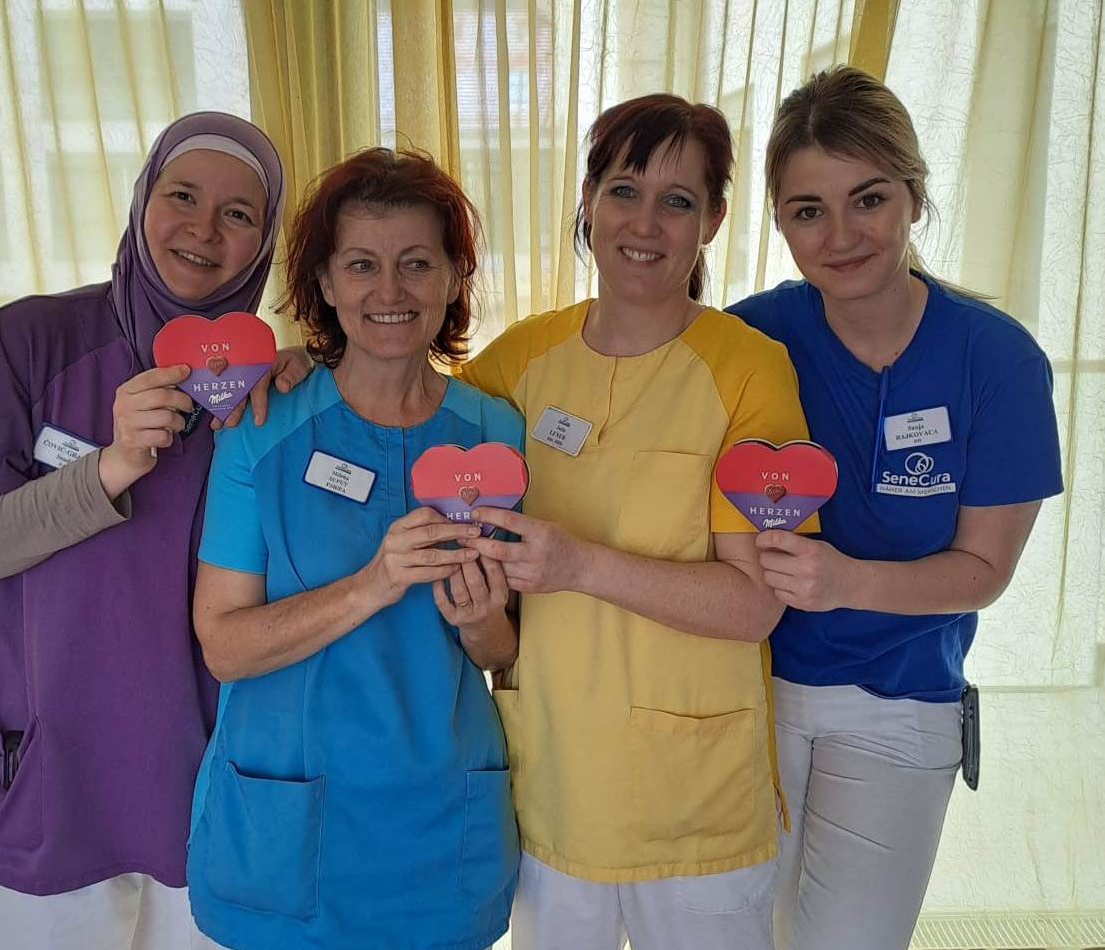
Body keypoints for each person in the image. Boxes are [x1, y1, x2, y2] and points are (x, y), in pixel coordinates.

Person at [453, 94, 815, 950]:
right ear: (587, 201)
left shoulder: (748, 370)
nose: (644, 223)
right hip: (555, 789)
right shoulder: (520, 360)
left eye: (676, 201)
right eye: (623, 190)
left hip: (697, 809)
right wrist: (306, 366)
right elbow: (401, 421)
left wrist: (581, 566)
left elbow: (753, 605)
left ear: (712, 221)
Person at [0, 112, 286, 949]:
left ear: (263, 241)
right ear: (142, 199)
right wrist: (108, 468)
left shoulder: (268, 386)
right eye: (181, 196)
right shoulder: (27, 341)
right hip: (34, 789)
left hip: (202, 795)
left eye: (237, 213)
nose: (203, 229)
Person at [726, 66, 1063, 950]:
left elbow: (983, 571)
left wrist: (843, 582)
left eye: (868, 199)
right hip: (744, 689)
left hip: (900, 701)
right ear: (779, 222)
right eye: (808, 211)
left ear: (914, 194)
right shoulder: (746, 338)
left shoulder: (997, 360)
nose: (841, 237)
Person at [185, 147, 522, 950]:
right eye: (362, 265)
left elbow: (505, 651)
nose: (390, 292)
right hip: (286, 819)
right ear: (326, 284)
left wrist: (484, 623)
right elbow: (224, 646)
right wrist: (374, 583)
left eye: (417, 263)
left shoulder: (496, 431)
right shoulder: (261, 428)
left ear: (454, 278)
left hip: (441, 819)